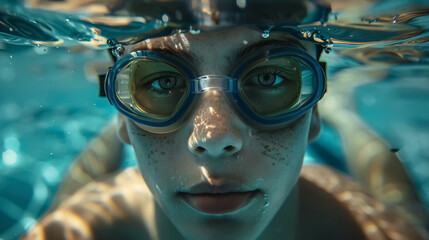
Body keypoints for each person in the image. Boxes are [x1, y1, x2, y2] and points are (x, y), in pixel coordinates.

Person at [21, 0, 426, 239]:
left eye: (269, 77)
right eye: (161, 82)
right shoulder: (78, 227)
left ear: (312, 110)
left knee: (402, 204)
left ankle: (347, 117)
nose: (214, 138)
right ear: (129, 119)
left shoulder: (377, 230)